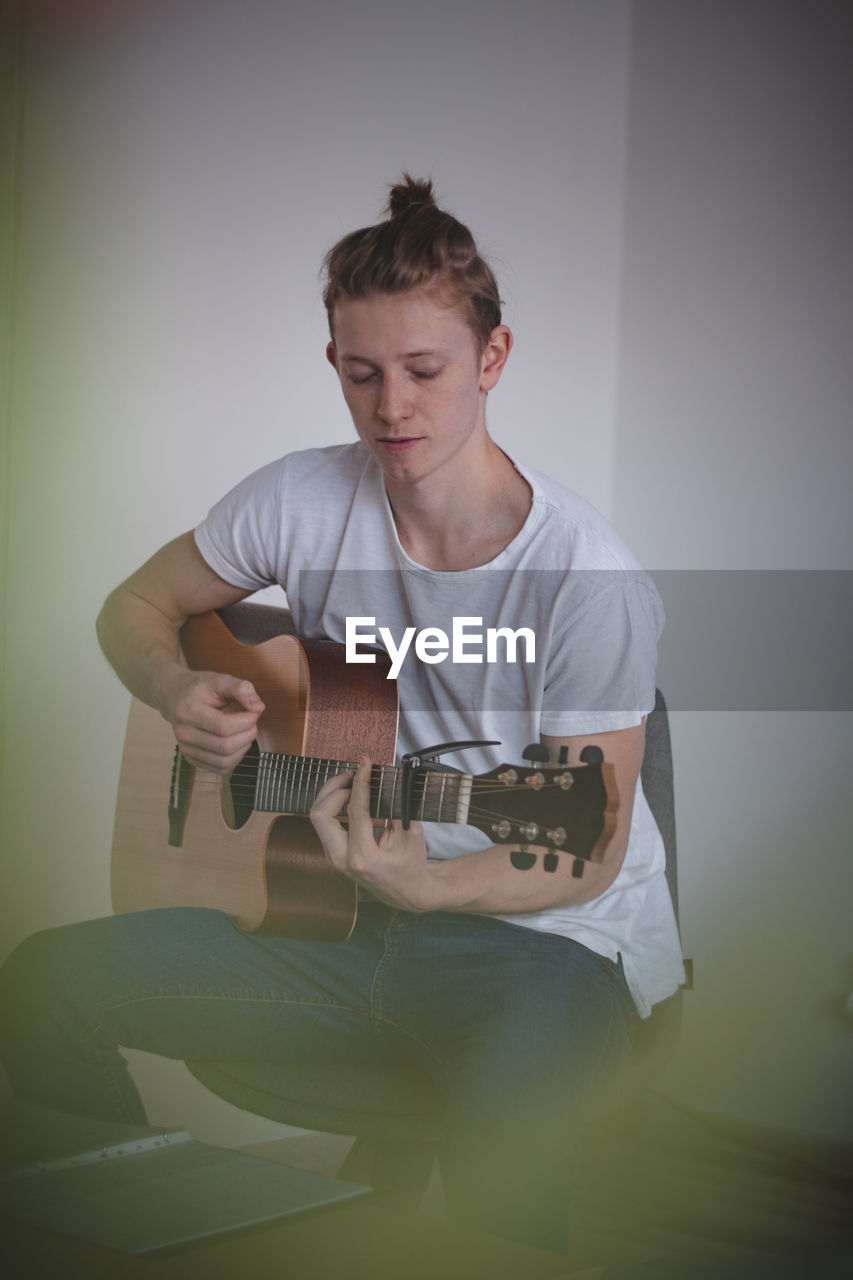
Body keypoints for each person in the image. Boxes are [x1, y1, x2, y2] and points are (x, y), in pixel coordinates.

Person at [0, 175, 683, 1254]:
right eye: (361, 373)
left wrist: (429, 881)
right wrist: (177, 688)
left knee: (506, 1141)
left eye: (424, 370)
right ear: (333, 364)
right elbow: (133, 605)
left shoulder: (584, 579)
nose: (391, 408)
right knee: (42, 984)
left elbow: (586, 846)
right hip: (331, 919)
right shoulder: (297, 499)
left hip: (544, 945)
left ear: (492, 360)